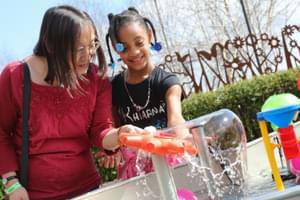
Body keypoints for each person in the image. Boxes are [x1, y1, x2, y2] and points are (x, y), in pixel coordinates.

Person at [0, 5, 143, 200]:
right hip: (33, 195)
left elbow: (100, 130)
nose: (89, 55)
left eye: (92, 45)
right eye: (79, 49)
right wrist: (11, 183)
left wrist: (119, 134)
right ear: (51, 44)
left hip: (89, 189)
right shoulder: (15, 76)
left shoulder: (95, 79)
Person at [104, 7, 189, 180]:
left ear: (149, 36)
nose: (134, 52)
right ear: (115, 48)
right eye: (124, 47)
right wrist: (110, 149)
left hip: (170, 163)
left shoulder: (167, 82)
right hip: (136, 173)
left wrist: (186, 137)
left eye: (139, 43)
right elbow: (112, 127)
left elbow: (176, 119)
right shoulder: (113, 89)